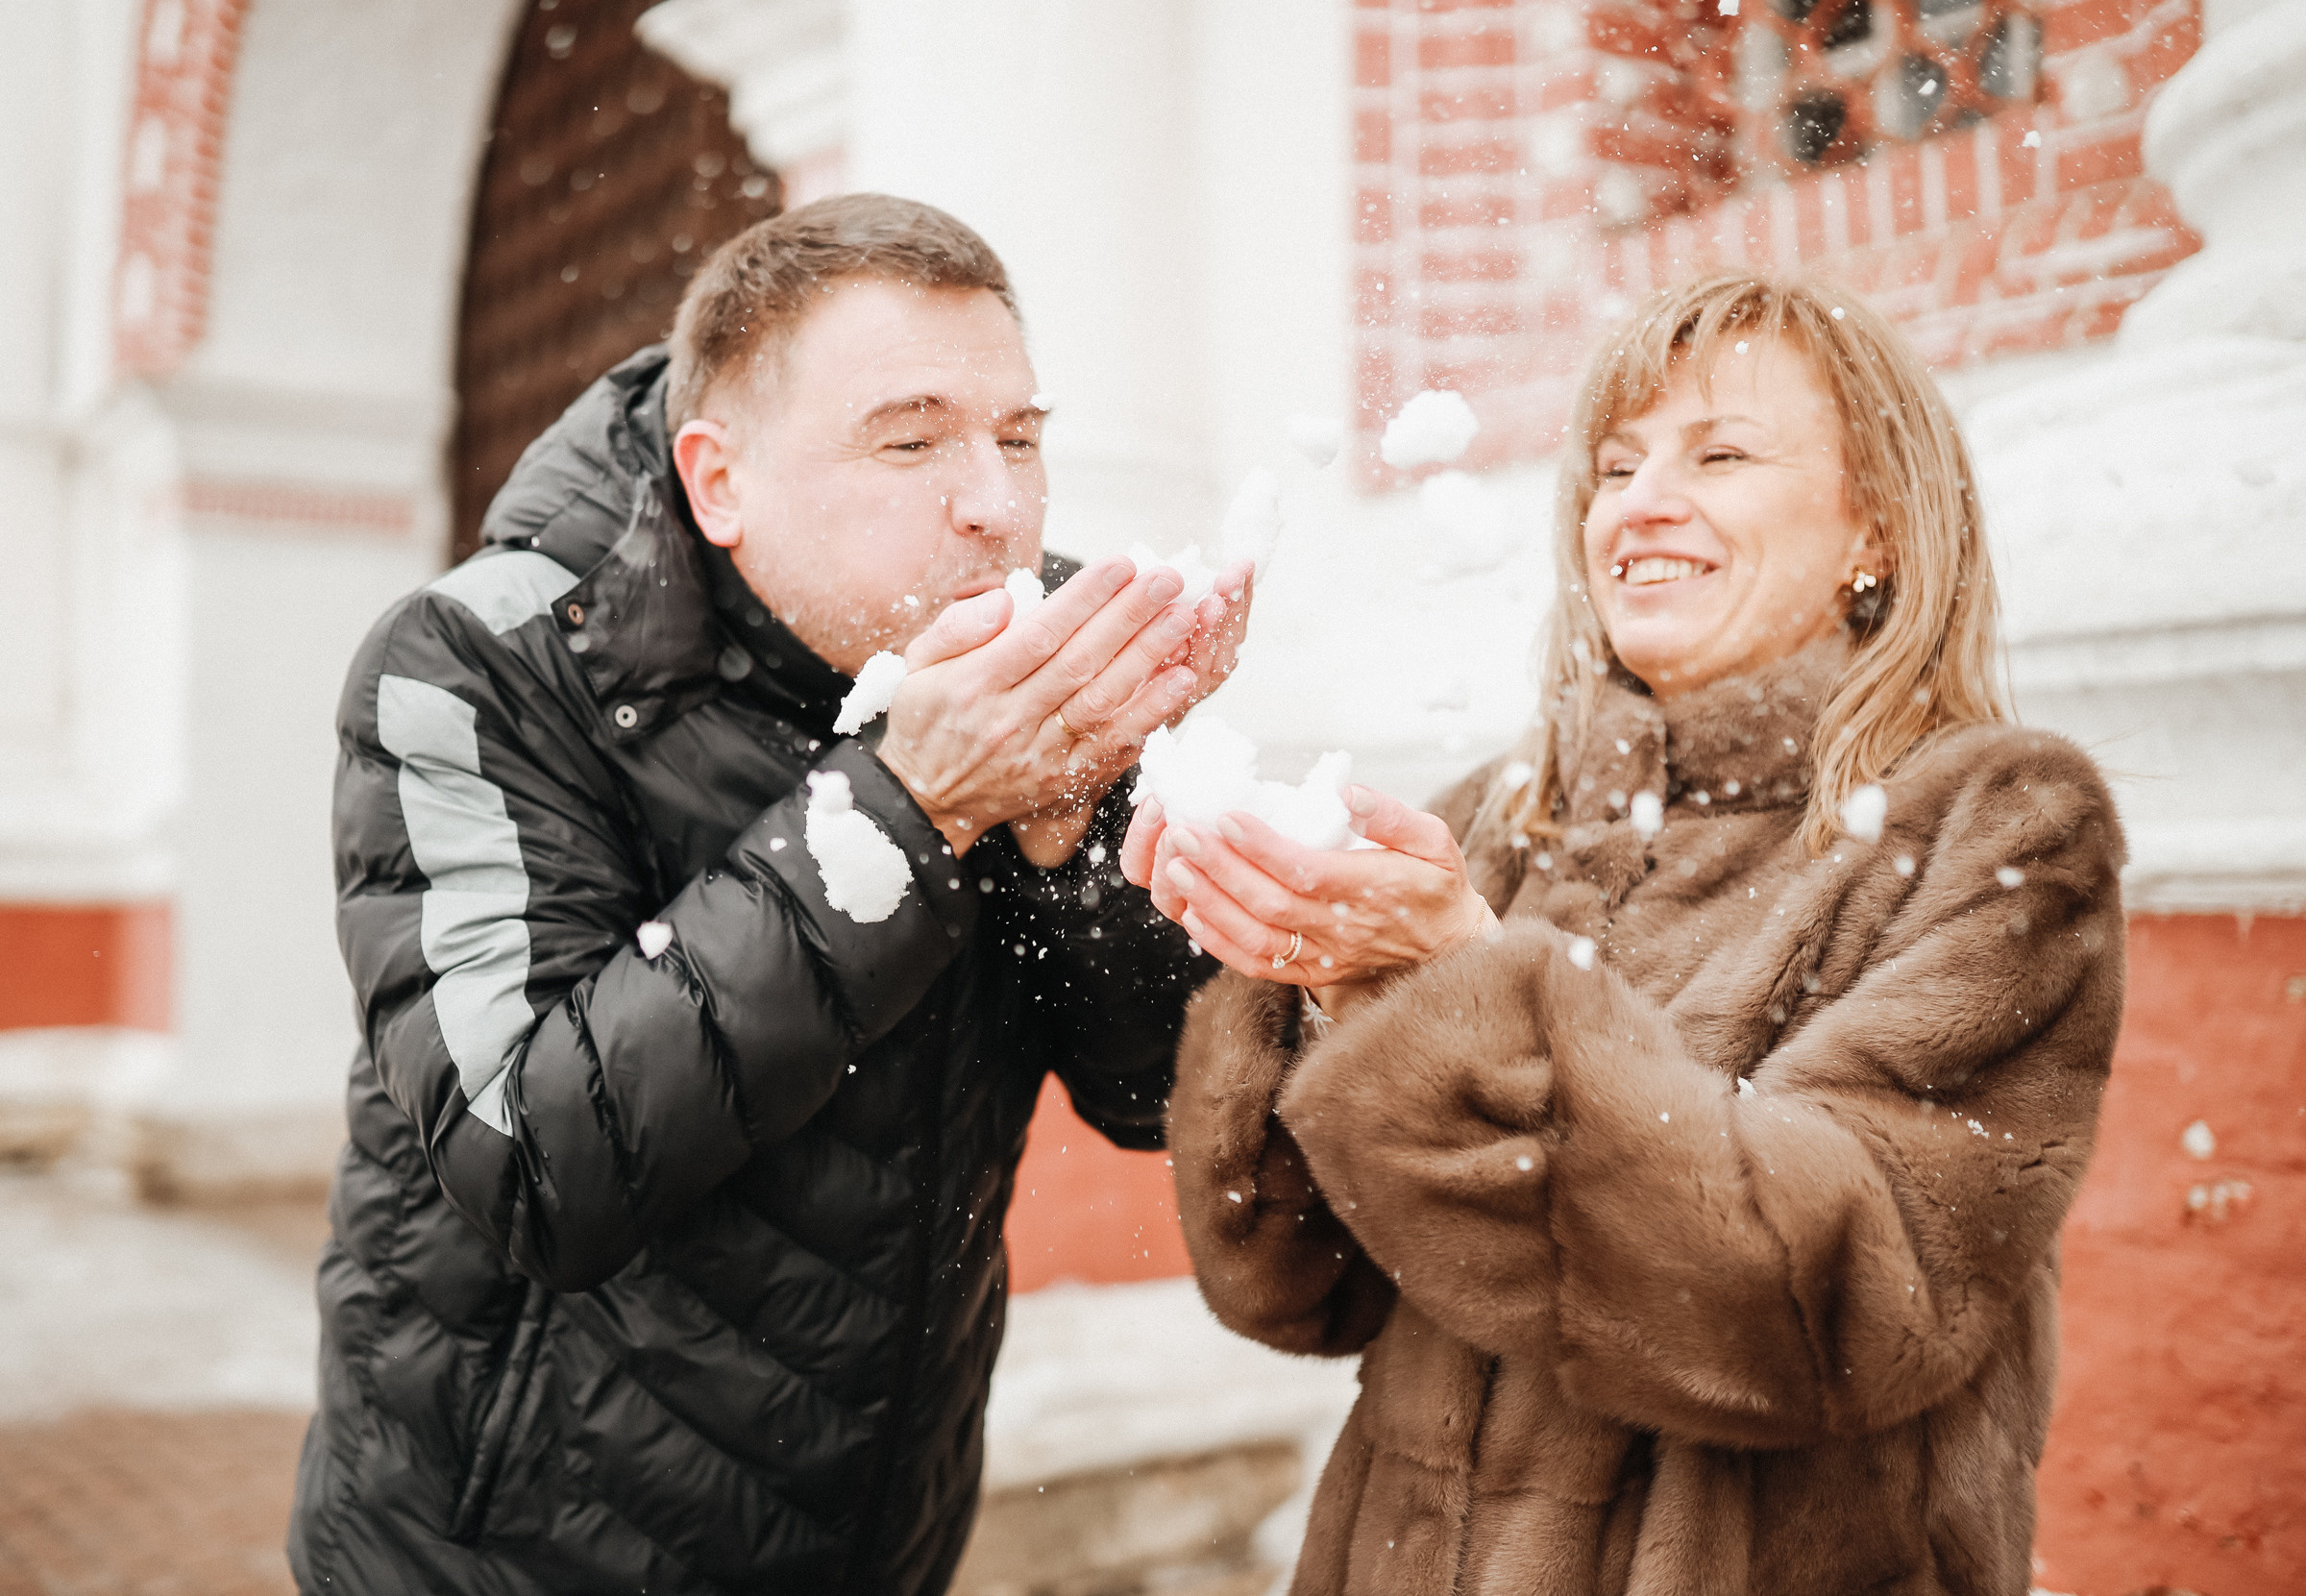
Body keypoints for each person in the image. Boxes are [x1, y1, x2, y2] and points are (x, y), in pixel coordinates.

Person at [289, 194, 1246, 1595]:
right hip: (500, 1551)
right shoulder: (475, 667)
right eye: (910, 439)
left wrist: (1072, 849)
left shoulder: (1037, 656)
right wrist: (909, 809)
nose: (993, 500)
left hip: (879, 1535)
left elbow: (1152, 1091)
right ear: (718, 480)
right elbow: (534, 1158)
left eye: (1021, 436)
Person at [1133, 275, 2126, 1595]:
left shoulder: (1999, 824)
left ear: (1874, 527)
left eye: (1719, 453)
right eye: (1614, 466)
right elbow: (1290, 1284)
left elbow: (1813, 1315)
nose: (1640, 502)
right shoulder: (1493, 823)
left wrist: (1464, 988)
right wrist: (1305, 985)